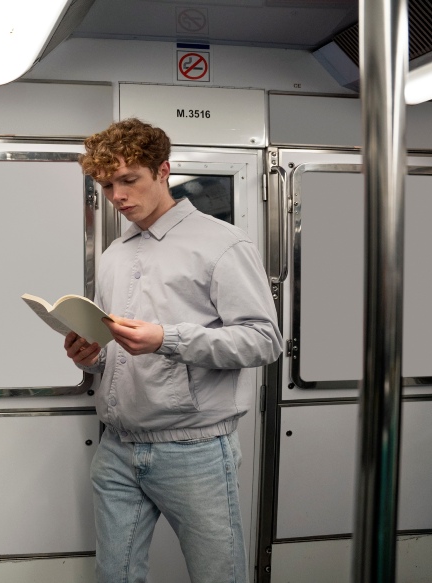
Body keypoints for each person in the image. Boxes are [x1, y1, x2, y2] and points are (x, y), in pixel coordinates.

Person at [64, 118, 282, 583]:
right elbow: (116, 342)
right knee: (114, 575)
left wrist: (169, 339)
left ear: (163, 171)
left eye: (129, 180)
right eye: (107, 185)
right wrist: (92, 355)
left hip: (195, 449)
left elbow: (264, 340)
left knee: (217, 576)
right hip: (117, 447)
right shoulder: (115, 254)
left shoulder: (221, 244)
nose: (118, 196)